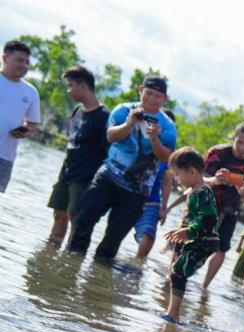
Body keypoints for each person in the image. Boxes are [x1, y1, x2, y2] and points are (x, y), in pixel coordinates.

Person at [68, 75, 177, 259]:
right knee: (83, 221)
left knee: (113, 240)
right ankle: (70, 265)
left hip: (137, 190)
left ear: (164, 99)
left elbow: (167, 158)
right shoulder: (123, 110)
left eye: (158, 96)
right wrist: (129, 123)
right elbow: (110, 137)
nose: (152, 99)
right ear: (141, 90)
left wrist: (154, 139)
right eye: (149, 93)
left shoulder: (168, 126)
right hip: (108, 177)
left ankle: (97, 277)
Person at [198, 123, 244, 288]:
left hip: (231, 208)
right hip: (205, 202)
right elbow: (201, 181)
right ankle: (173, 277)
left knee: (221, 248)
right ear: (233, 138)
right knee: (190, 239)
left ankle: (204, 287)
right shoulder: (217, 153)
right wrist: (215, 180)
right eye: (239, 142)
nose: (242, 147)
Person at [47, 65, 107, 242]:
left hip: (84, 177)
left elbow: (106, 152)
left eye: (71, 85)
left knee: (75, 216)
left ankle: (71, 257)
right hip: (66, 172)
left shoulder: (103, 116)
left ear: (83, 86)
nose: (69, 90)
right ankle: (50, 253)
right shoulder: (77, 111)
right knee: (59, 214)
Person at [161, 148, 219, 323]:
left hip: (205, 241)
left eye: (178, 174)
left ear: (193, 172)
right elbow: (191, 217)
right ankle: (171, 311)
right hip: (197, 239)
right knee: (176, 271)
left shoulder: (202, 192)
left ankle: (174, 314)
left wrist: (188, 231)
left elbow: (208, 219)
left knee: (178, 272)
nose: (177, 179)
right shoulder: (194, 191)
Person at [0, 40, 39, 193]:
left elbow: (32, 123)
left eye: (27, 62)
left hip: (5, 156)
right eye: (19, 60)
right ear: (5, 58)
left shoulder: (31, 92)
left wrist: (25, 130)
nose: (24, 65)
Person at [133, 160, 172, 259]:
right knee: (113, 238)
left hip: (151, 202)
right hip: (127, 195)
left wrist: (164, 207)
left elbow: (167, 182)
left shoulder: (167, 148)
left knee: (148, 236)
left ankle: (136, 268)